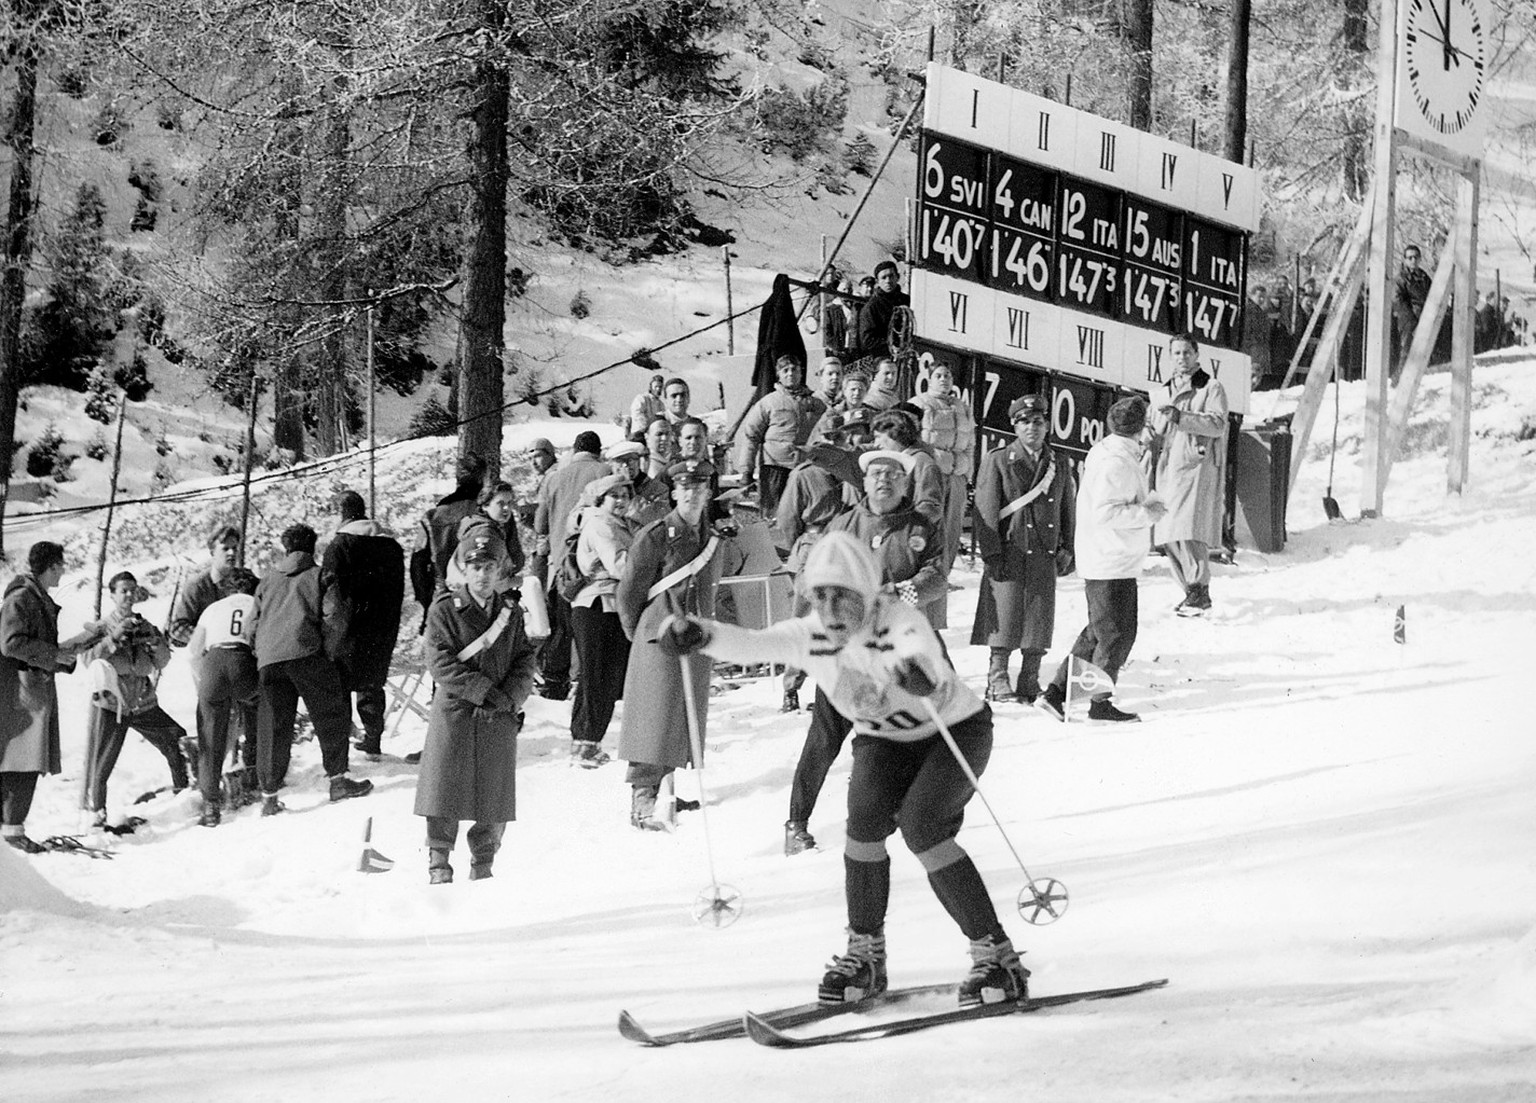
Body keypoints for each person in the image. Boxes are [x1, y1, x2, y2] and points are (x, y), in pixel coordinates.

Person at [659, 532, 1031, 1007]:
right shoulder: (810, 635)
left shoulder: (897, 618)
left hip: (953, 732)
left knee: (923, 828)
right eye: (821, 596)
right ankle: (865, 956)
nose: (831, 608)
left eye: (843, 596)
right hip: (884, 739)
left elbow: (919, 648)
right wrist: (700, 634)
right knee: (862, 832)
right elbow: (752, 644)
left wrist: (914, 670)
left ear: (867, 595)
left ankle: (996, 957)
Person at [784, 449, 946, 855]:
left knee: (901, 736)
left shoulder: (921, 527)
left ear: (905, 482)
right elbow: (813, 576)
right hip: (848, 650)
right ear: (865, 480)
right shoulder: (843, 524)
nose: (884, 481)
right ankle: (796, 822)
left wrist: (901, 591)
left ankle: (895, 815)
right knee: (825, 737)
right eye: (876, 474)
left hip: (898, 648)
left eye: (893, 474)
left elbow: (936, 575)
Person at [415, 530, 537, 884]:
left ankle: (484, 861)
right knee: (443, 788)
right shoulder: (445, 610)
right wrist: (482, 690)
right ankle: (439, 862)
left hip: (498, 710)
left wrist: (512, 696)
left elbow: (524, 658)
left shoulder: (509, 613)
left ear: (500, 571)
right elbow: (440, 661)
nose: (483, 575)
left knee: (494, 790)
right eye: (476, 567)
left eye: (490, 567)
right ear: (464, 570)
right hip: (456, 709)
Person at [1037, 397, 1166, 724]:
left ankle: (1056, 694)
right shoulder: (1118, 461)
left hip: (1109, 556)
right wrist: (1146, 513)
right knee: (1116, 634)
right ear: (1140, 425)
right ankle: (1099, 702)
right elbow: (1106, 512)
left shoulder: (1110, 451)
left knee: (1100, 631)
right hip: (1111, 557)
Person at [616, 462, 723, 831]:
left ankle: (667, 790)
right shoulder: (657, 535)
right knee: (653, 718)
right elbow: (629, 591)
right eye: (684, 487)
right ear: (674, 493)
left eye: (699, 487)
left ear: (708, 492)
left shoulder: (711, 536)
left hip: (693, 637)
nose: (691, 494)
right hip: (658, 636)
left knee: (680, 714)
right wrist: (639, 633)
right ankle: (643, 800)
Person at [244, 523, 372, 814]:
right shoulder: (320, 575)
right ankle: (338, 781)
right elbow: (334, 615)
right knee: (331, 713)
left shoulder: (266, 581)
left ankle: (269, 797)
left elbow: (253, 624)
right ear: (313, 547)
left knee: (274, 725)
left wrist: (261, 651)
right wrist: (327, 650)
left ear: (285, 548)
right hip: (307, 654)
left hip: (269, 661)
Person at [970, 395, 1076, 704]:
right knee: (1004, 615)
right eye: (1025, 422)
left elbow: (1067, 507)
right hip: (1010, 547)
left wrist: (1068, 546)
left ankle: (1030, 678)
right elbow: (986, 509)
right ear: (1015, 426)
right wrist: (991, 554)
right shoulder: (999, 459)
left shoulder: (1057, 463)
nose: (1032, 427)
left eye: (1038, 422)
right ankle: (997, 679)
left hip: (1044, 550)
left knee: (1038, 617)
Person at [79, 571, 189, 826]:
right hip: (113, 704)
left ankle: (183, 793)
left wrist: (153, 642)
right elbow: (86, 660)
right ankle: (97, 815)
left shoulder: (145, 624)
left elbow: (161, 662)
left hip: (142, 702)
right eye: (123, 590)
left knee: (176, 739)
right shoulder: (101, 627)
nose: (129, 595)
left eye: (132, 590)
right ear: (113, 594)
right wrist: (113, 639)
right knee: (103, 762)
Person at [0, 542, 90, 853]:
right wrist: (52, 655)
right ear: (49, 567)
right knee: (21, 762)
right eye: (59, 565)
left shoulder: (34, 597)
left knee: (23, 762)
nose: (63, 571)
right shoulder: (22, 597)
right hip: (20, 694)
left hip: (29, 689)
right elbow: (10, 643)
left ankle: (10, 830)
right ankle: (11, 832)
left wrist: (61, 658)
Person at [773, 432, 857, 712]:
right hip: (814, 548)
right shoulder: (804, 475)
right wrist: (801, 546)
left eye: (841, 440)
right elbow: (787, 519)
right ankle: (791, 688)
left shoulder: (854, 471)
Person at [1150, 333, 1230, 617]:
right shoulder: (1161, 391)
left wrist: (1181, 418)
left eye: (1187, 353)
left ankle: (1199, 589)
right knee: (1168, 530)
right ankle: (1190, 590)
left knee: (1188, 527)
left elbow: (1218, 423)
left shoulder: (1211, 387)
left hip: (1196, 465)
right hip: (1168, 467)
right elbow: (1154, 427)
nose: (1181, 358)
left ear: (1197, 355)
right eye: (1176, 353)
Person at [322, 490, 406, 759]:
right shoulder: (391, 547)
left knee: (342, 685)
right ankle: (373, 739)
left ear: (343, 515)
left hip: (347, 626)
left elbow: (328, 585)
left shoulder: (339, 546)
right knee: (372, 684)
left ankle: (343, 748)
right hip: (381, 626)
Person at [534, 431, 609, 701]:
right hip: (595, 567)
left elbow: (540, 525)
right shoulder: (605, 471)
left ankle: (554, 684)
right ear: (598, 451)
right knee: (590, 632)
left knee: (562, 628)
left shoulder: (554, 478)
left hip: (561, 568)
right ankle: (591, 684)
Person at [568, 473, 635, 767]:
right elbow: (619, 564)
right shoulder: (601, 524)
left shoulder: (618, 524)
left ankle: (585, 741)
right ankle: (587, 742)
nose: (620, 501)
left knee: (598, 676)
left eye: (624, 495)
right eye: (614, 496)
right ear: (601, 500)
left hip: (606, 604)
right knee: (599, 677)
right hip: (597, 604)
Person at [185, 566, 260, 827]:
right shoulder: (255, 602)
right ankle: (255, 774)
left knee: (210, 734)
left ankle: (210, 805)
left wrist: (202, 685)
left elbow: (193, 652)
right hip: (243, 661)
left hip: (214, 663)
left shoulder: (212, 608)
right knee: (259, 708)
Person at [736, 354, 826, 516]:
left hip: (803, 467)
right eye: (785, 370)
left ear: (801, 372)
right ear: (778, 374)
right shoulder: (768, 403)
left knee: (803, 514)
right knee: (774, 515)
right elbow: (751, 436)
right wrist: (746, 472)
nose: (790, 374)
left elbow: (826, 428)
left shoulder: (815, 403)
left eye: (794, 369)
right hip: (774, 469)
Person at [911, 362, 976, 570]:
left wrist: (967, 475)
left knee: (952, 528)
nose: (943, 379)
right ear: (929, 379)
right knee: (929, 524)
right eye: (938, 375)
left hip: (956, 477)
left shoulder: (962, 407)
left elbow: (970, 444)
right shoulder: (919, 403)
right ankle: (923, 571)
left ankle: (943, 573)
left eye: (947, 376)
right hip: (931, 476)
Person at [168, 524, 243, 647]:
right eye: (225, 549)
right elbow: (177, 628)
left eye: (235, 548)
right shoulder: (196, 585)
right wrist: (210, 636)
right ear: (212, 552)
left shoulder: (246, 580)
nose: (232, 553)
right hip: (206, 656)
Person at [448, 481, 527, 597]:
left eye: (509, 503)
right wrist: (510, 583)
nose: (506, 508)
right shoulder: (484, 534)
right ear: (485, 506)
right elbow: (480, 582)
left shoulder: (491, 528)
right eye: (500, 503)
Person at [854, 260, 909, 364]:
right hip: (883, 360)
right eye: (883, 278)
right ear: (878, 281)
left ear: (897, 277)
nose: (888, 281)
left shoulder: (908, 301)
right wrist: (892, 345)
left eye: (891, 276)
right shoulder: (871, 307)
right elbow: (867, 341)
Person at [1393, 244, 1431, 382]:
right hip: (1408, 319)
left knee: (1422, 350)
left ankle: (1415, 378)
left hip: (1424, 317)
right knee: (1407, 349)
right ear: (1405, 260)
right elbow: (1398, 300)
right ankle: (1398, 379)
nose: (1413, 260)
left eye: (1416, 257)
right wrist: (1411, 321)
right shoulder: (1401, 278)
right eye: (1410, 258)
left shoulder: (1424, 277)